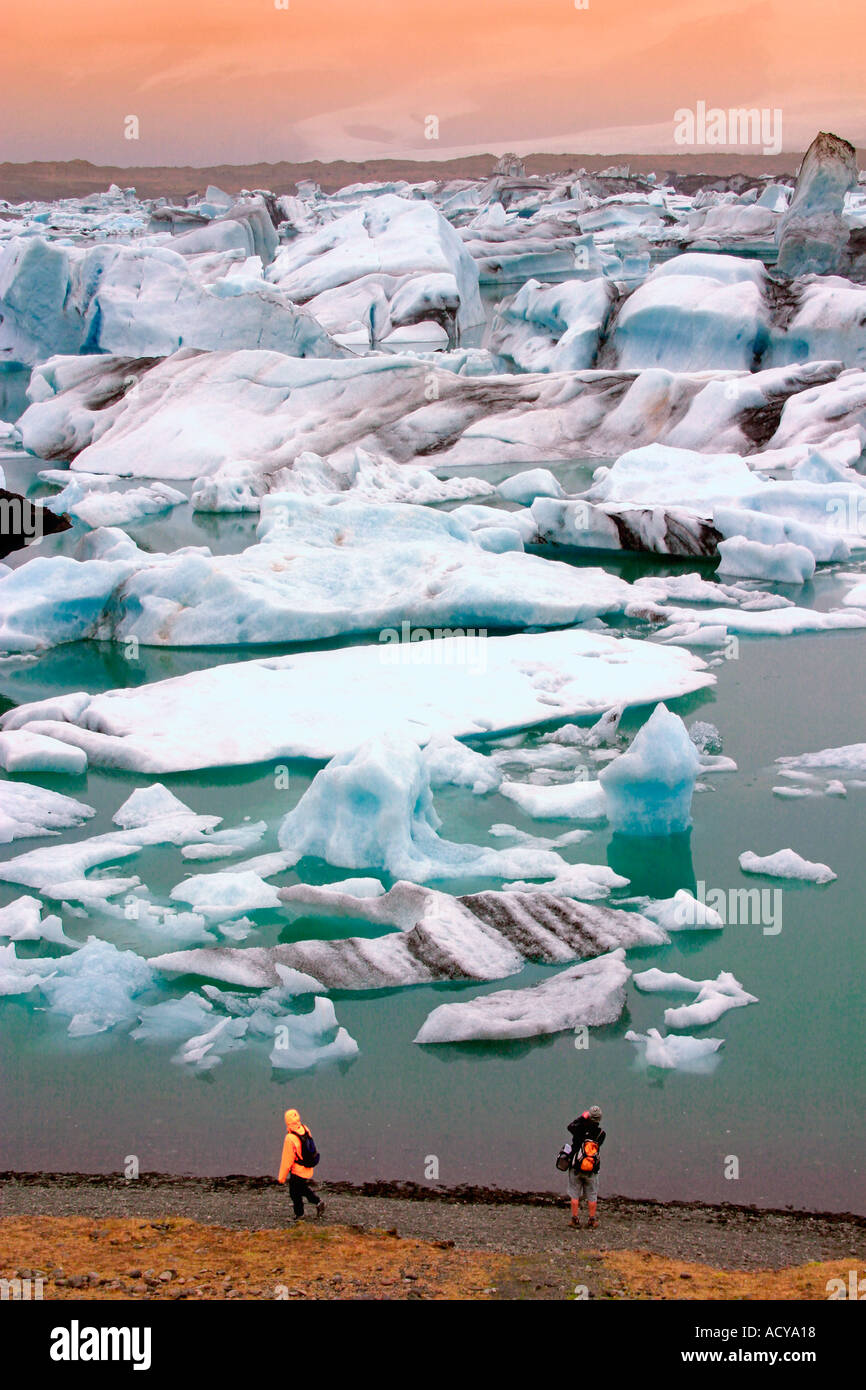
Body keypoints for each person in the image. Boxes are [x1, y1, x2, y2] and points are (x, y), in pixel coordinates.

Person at [277, 1108, 325, 1221]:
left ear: (287, 1122)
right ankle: (318, 1202)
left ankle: (300, 1214)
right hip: (308, 1167)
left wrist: (281, 1177)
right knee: (302, 1188)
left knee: (294, 1192)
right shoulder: (305, 1128)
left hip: (298, 1170)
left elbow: (287, 1160)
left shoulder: (290, 1138)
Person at [566, 1104, 605, 1228]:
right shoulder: (601, 1134)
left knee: (574, 1194)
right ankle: (592, 1220)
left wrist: (582, 1118)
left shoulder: (579, 1129)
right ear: (599, 1119)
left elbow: (570, 1126)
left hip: (576, 1167)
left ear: (589, 1116)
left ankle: (574, 1219)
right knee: (592, 1195)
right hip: (592, 1169)